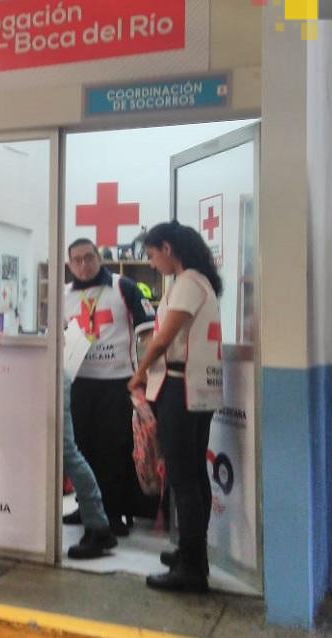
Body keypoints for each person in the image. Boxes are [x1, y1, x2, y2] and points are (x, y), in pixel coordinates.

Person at [128, 220, 223, 593]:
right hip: (193, 388)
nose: (152, 264)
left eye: (152, 255)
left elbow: (162, 339)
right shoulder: (199, 282)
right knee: (193, 476)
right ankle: (191, 553)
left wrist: (137, 373)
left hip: (181, 389)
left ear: (167, 248)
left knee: (185, 478)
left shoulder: (188, 284)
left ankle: (192, 568)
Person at [65, 238, 154, 535]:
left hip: (117, 382)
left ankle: (114, 513)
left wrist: (144, 373)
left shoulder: (122, 286)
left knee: (113, 451)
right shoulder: (64, 295)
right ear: (69, 264)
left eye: (88, 257)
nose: (83, 264)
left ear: (98, 258)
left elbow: (148, 329)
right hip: (79, 383)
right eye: (76, 260)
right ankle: (87, 506)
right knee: (83, 449)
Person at [61, 370, 119, 559]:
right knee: (68, 452)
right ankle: (97, 523)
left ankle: (98, 526)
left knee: (68, 452)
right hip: (47, 373)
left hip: (51, 375)